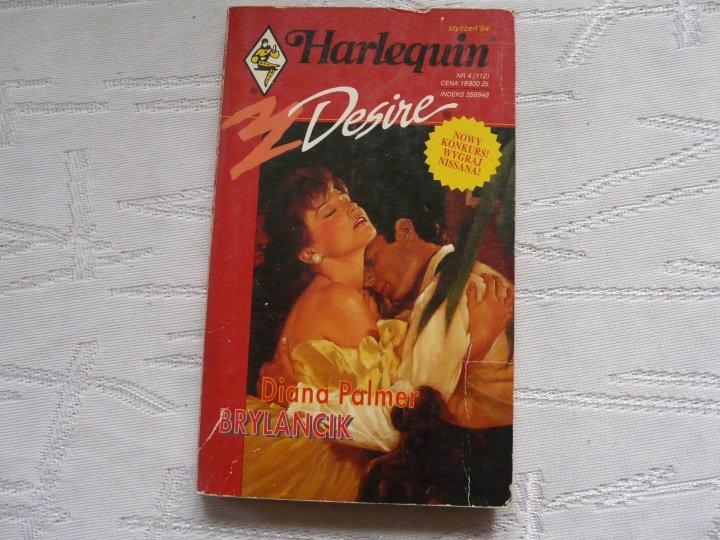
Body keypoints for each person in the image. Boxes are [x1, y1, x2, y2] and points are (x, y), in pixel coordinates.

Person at [242, 167, 388, 502]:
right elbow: (388, 406)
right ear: (310, 252)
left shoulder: (346, 294)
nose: (351, 207)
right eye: (331, 211)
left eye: (346, 198)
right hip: (314, 460)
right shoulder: (339, 299)